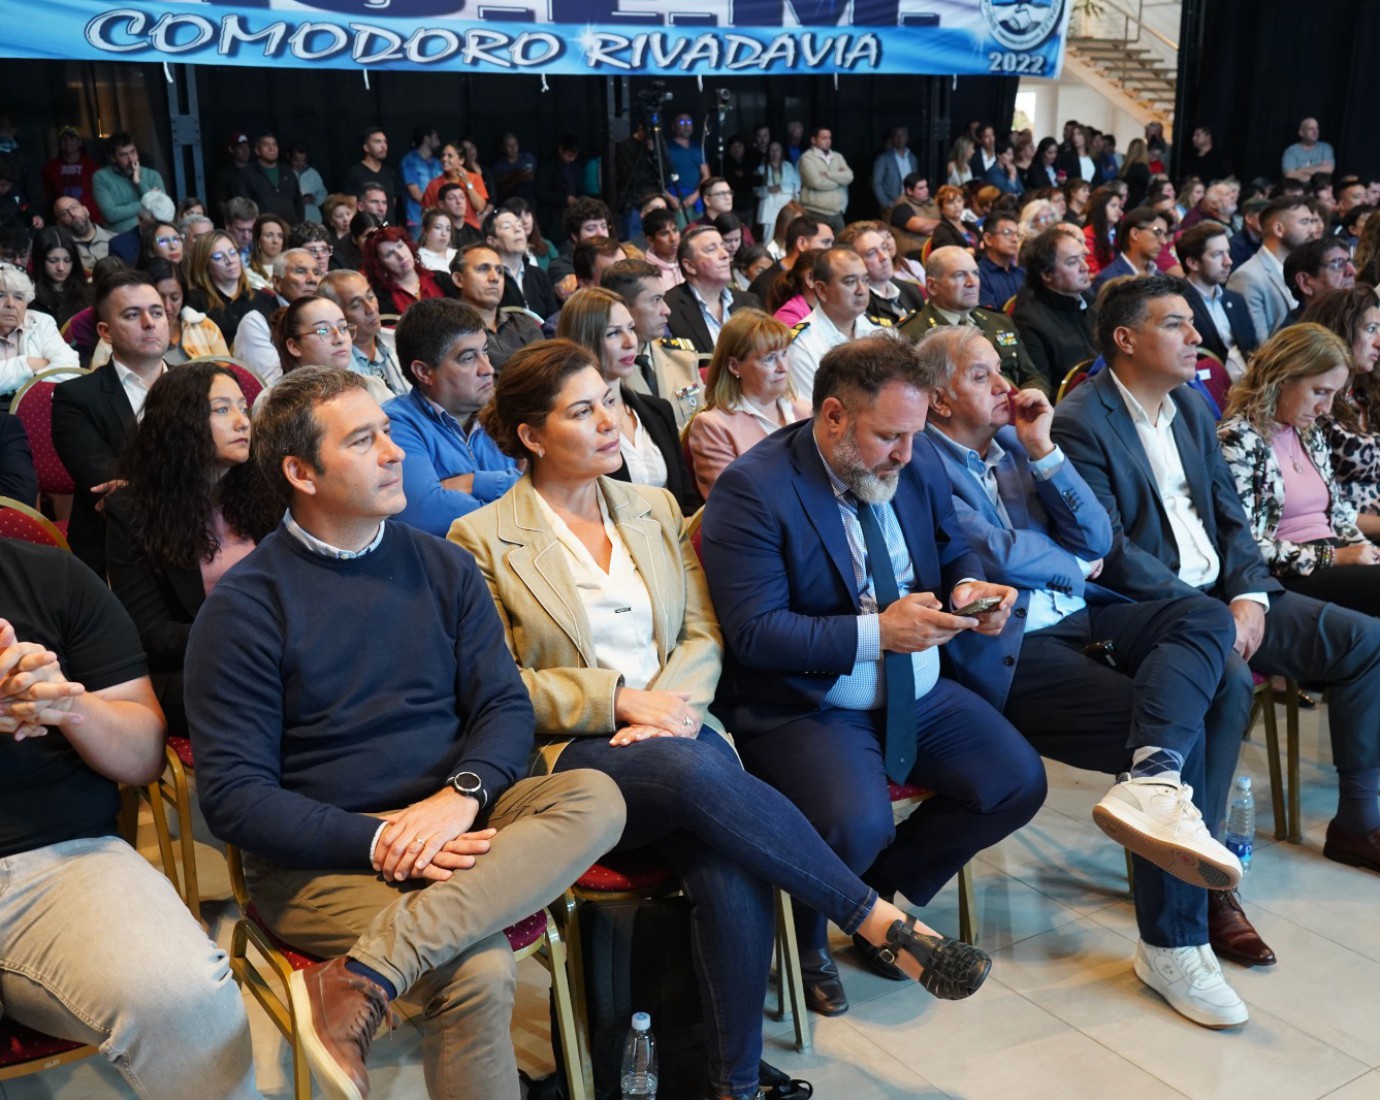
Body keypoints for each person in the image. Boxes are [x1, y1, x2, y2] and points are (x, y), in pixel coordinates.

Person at [449, 339, 992, 1097]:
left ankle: (730, 1085)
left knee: (729, 863)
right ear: (533, 436)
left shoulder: (652, 507)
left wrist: (671, 707)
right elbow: (497, 686)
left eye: (609, 401)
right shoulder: (480, 539)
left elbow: (706, 632)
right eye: (583, 411)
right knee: (692, 765)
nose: (611, 422)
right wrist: (618, 701)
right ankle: (869, 917)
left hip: (679, 730)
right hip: (574, 756)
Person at [181, 364, 624, 1100]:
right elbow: (233, 799)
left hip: (454, 816)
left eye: (388, 433)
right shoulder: (247, 607)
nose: (396, 454)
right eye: (364, 441)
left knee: (596, 797)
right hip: (321, 857)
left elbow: (505, 710)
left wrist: (460, 797)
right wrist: (380, 838)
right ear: (301, 472)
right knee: (477, 967)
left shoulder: (442, 564)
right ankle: (377, 971)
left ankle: (362, 977)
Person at [924, 325, 1262, 1028]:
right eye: (982, 376)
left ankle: (1157, 783)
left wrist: (1045, 450)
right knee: (1189, 711)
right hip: (1008, 647)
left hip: (1082, 616)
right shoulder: (923, 461)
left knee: (1202, 622)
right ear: (936, 398)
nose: (1006, 387)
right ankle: (1175, 942)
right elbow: (996, 551)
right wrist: (1072, 563)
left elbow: (1098, 537)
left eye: (1002, 370)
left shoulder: (1022, 444)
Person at [701, 333, 1045, 1015]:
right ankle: (805, 939)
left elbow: (952, 551)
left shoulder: (910, 460)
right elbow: (754, 633)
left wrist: (974, 591)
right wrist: (876, 633)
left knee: (1016, 782)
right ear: (832, 415)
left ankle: (869, 902)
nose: (907, 454)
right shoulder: (755, 488)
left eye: (913, 435)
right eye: (889, 435)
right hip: (813, 699)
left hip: (917, 684)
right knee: (854, 823)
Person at [1051, 275, 1380, 873]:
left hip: (1231, 594)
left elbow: (1232, 518)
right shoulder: (1081, 420)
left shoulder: (1190, 408)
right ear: (1125, 338)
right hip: (1155, 610)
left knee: (1364, 642)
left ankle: (1358, 822)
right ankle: (1206, 862)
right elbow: (1113, 550)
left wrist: (1249, 593)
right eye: (1175, 323)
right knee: (1226, 680)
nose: (1195, 336)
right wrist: (1211, 611)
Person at [0, 538, 259, 1098]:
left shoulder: (50, 576)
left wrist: (66, 704)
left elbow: (144, 755)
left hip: (63, 862)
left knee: (187, 999)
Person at [105, 362, 276, 735]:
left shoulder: (266, 492)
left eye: (243, 408)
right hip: (196, 667)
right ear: (180, 423)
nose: (242, 421)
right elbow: (152, 632)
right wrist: (244, 633)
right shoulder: (133, 511)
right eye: (221, 409)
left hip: (278, 651)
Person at [1218, 323, 1380, 615]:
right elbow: (1248, 545)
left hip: (1335, 553)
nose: (1326, 409)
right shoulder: (1238, 439)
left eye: (1333, 395)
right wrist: (1335, 557)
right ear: (1282, 378)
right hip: (1290, 573)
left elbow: (1339, 514)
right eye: (1319, 392)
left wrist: (1367, 553)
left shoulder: (1308, 431)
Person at [53, 269, 169, 575]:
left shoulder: (203, 385)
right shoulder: (75, 397)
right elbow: (108, 487)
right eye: (132, 315)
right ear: (105, 332)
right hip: (116, 549)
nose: (149, 323)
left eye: (156, 312)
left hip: (204, 538)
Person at [383, 298, 519, 535]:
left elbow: (549, 490)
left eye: (485, 352)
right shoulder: (395, 423)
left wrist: (471, 483)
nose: (487, 368)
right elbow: (424, 514)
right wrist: (507, 488)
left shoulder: (508, 409)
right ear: (424, 372)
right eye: (468, 358)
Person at [556, 287, 698, 513]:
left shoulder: (658, 410)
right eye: (613, 333)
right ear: (584, 341)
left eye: (631, 329)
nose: (630, 342)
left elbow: (687, 500)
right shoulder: (572, 424)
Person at [686, 308, 809, 498]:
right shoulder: (713, 426)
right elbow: (735, 504)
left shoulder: (807, 410)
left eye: (784, 354)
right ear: (735, 366)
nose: (783, 367)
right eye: (769, 359)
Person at [900, 245, 1042, 392]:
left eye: (975, 273)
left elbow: (1032, 376)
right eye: (959, 275)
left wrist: (1032, 394)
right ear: (932, 286)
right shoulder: (911, 335)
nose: (972, 282)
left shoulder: (999, 320)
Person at [1307, 286, 1380, 535]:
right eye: (1371, 330)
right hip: (1349, 532)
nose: (1379, 341)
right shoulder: (1313, 405)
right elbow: (1322, 508)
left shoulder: (1365, 393)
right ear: (1340, 332)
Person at [600, 258, 703, 427]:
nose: (666, 310)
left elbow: (704, 425)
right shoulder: (604, 373)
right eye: (656, 300)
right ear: (623, 307)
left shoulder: (682, 358)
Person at [1011, 225, 1098, 391]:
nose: (1085, 267)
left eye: (1083, 258)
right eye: (1072, 262)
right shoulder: (1029, 321)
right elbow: (1041, 388)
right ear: (1047, 274)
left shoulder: (1091, 303)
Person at [787, 246, 882, 396]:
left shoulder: (880, 332)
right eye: (850, 282)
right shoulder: (802, 346)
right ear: (821, 290)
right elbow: (813, 413)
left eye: (865, 280)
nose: (862, 290)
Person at [1228, 196, 1317, 340]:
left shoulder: (1307, 269)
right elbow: (1258, 347)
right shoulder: (1247, 277)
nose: (1313, 230)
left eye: (1312, 222)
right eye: (1304, 222)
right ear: (1278, 229)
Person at [1179, 224, 1260, 383]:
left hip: (1250, 386)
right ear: (1193, 263)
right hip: (1210, 390)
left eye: (1227, 253)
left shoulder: (1235, 300)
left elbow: (1253, 350)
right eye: (1217, 254)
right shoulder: (1179, 303)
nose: (1228, 261)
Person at [664, 227, 761, 356]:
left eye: (722, 246)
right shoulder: (668, 308)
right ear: (690, 266)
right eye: (711, 249)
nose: (725, 254)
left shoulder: (750, 302)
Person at [452, 243, 543, 372]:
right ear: (459, 279)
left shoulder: (525, 323)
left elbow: (548, 370)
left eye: (500, 271)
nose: (495, 278)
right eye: (483, 269)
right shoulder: (449, 333)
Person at [317, 269, 409, 396]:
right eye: (356, 305)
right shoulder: (334, 366)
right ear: (336, 314)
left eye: (370, 297)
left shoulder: (401, 339)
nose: (371, 309)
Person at [184, 229, 275, 346]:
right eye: (218, 256)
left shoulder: (263, 298)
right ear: (204, 264)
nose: (230, 260)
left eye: (232, 252)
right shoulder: (195, 301)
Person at [0, 261, 80, 395]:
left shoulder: (41, 322)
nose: (11, 304)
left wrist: (19, 390)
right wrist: (28, 364)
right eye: (1, 295)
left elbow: (69, 370)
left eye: (19, 297)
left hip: (34, 409)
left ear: (27, 302)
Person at [839, 222, 925, 325]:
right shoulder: (858, 304)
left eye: (884, 248)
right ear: (854, 262)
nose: (883, 256)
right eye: (872, 253)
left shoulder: (911, 289)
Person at [362, 226, 456, 315]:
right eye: (389, 254)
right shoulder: (380, 298)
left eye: (400, 246)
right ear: (379, 264)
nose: (401, 256)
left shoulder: (441, 279)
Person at [487, 207, 557, 319]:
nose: (518, 230)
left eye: (519, 225)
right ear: (492, 241)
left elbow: (554, 319)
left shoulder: (538, 275)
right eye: (507, 227)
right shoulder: (489, 279)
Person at [91, 131, 167, 234]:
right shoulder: (101, 177)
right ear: (113, 158)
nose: (131, 159)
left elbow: (162, 209)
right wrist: (146, 202)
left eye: (133, 152)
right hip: (118, 236)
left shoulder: (153, 175)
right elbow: (110, 215)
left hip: (151, 235)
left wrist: (138, 182)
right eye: (124, 155)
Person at [1280, 238, 1356, 326]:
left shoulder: (1353, 318)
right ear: (1305, 282)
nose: (1352, 271)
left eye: (1350, 262)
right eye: (1337, 264)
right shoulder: (1299, 336)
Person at [1092, 205, 1167, 293]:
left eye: (1165, 234)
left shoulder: (1160, 277)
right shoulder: (1108, 279)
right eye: (1157, 232)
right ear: (1135, 234)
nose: (1164, 241)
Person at [231, 132, 302, 223]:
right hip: (262, 228)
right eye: (266, 145)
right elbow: (243, 203)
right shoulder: (247, 173)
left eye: (274, 145)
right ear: (257, 150)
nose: (272, 148)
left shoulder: (287, 171)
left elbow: (298, 202)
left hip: (290, 227)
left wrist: (299, 223)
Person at [28, 225, 91, 328]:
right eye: (53, 261)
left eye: (67, 260)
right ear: (40, 260)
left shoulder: (88, 292)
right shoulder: (30, 298)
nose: (61, 267)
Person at [420, 142, 489, 233]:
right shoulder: (434, 184)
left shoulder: (474, 178)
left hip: (470, 231)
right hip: (445, 232)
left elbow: (480, 207)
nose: (444, 159)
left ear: (461, 160)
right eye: (443, 155)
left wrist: (467, 182)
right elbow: (426, 213)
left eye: (450, 156)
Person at [797, 126, 853, 232]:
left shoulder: (837, 156)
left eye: (829, 138)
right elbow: (816, 182)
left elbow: (849, 176)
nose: (828, 141)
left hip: (837, 212)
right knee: (819, 246)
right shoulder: (807, 158)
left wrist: (828, 174)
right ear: (813, 140)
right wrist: (840, 181)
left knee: (841, 245)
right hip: (816, 212)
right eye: (824, 138)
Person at [41, 124, 102, 221]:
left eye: (72, 139)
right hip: (64, 222)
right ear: (59, 143)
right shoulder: (50, 169)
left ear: (79, 142)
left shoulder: (93, 167)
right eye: (64, 139)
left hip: (93, 220)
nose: (68, 142)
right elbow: (47, 198)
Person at [342, 126, 399, 224]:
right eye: (377, 142)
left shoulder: (390, 172)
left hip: (388, 228)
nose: (383, 146)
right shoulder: (355, 172)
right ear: (366, 147)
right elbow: (352, 205)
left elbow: (392, 203)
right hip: (367, 229)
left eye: (385, 142)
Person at [975, 210, 1025, 309]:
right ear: (988, 239)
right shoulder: (977, 276)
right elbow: (989, 318)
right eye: (1007, 233)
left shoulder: (1022, 273)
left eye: (1017, 234)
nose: (1015, 239)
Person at [52, 195, 114, 275]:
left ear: (86, 210)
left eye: (74, 207)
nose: (72, 214)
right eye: (65, 213)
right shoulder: (63, 252)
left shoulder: (115, 239)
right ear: (60, 224)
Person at [665, 110, 710, 215]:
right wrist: (670, 197)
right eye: (682, 123)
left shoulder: (698, 147)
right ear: (673, 127)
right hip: (675, 199)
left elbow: (706, 175)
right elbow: (658, 177)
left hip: (696, 198)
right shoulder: (666, 148)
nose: (686, 125)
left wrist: (694, 196)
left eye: (689, 123)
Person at [400, 125, 442, 236]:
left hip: (439, 217)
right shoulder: (409, 161)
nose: (439, 142)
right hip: (417, 217)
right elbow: (415, 192)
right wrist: (435, 205)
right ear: (426, 139)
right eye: (436, 138)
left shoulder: (438, 163)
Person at [755, 140, 800, 243]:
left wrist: (781, 188)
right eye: (772, 150)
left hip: (786, 207)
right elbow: (755, 190)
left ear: (781, 152)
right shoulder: (762, 169)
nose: (774, 153)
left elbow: (796, 185)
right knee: (768, 239)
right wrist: (768, 189)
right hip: (769, 208)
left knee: (787, 236)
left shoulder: (788, 166)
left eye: (777, 150)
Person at [872, 126, 917, 212]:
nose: (899, 138)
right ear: (892, 138)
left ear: (907, 137)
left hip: (911, 203)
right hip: (892, 205)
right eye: (896, 135)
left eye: (902, 135)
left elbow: (915, 180)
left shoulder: (912, 158)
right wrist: (886, 203)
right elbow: (876, 183)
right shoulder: (883, 159)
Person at [1283, 118, 1336, 183]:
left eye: (1317, 128)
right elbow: (1289, 175)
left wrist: (1301, 170)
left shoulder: (1326, 148)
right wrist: (1319, 170)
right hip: (1298, 190)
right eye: (1311, 129)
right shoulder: (1291, 150)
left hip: (1320, 190)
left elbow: (1329, 169)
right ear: (1301, 133)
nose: (1315, 131)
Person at [246, 213, 290, 290]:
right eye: (269, 235)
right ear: (258, 240)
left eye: (280, 236)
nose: (276, 241)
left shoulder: (290, 269)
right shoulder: (249, 274)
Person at [289, 143, 327, 225]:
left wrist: (314, 199)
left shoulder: (312, 173)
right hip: (292, 217)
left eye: (302, 161)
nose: (299, 164)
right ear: (289, 157)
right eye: (296, 161)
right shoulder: (286, 173)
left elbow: (322, 192)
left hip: (312, 216)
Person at [930, 185, 976, 252]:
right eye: (950, 203)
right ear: (941, 208)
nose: (956, 205)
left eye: (959, 201)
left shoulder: (970, 225)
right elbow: (955, 256)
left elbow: (987, 248)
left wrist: (973, 251)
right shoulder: (941, 231)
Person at [416, 207, 457, 273]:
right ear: (425, 231)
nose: (444, 233)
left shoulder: (457, 254)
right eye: (438, 227)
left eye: (448, 229)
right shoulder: (419, 258)